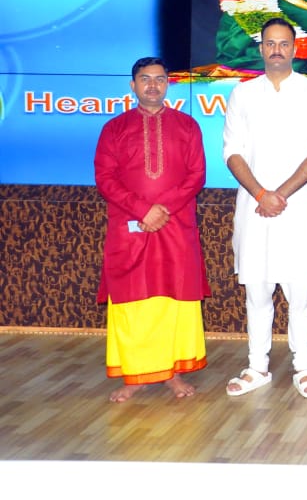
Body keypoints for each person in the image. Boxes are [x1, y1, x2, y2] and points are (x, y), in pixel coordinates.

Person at [222, 18, 307, 398]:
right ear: (261, 49)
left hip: (296, 209)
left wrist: (280, 194)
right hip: (254, 209)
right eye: (270, 43)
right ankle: (257, 366)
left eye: (283, 44)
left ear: (294, 49)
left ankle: (304, 366)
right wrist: (260, 194)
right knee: (257, 290)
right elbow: (231, 151)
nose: (276, 50)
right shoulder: (243, 94)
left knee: (300, 292)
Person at [93, 56, 209, 402]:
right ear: (133, 85)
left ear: (168, 84)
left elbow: (196, 175)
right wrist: (144, 210)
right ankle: (137, 375)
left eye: (160, 79)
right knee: (134, 300)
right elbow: (105, 178)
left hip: (176, 225)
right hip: (130, 229)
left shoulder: (187, 126)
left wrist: (163, 209)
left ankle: (172, 372)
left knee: (174, 299)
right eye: (146, 79)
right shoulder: (114, 129)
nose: (153, 85)